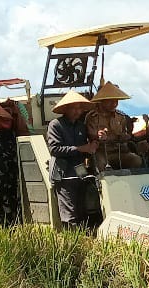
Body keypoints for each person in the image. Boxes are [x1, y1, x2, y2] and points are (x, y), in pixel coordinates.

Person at [46, 90, 101, 230]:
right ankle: (70, 236)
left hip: (80, 170)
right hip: (63, 171)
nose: (77, 111)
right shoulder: (55, 125)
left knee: (82, 205)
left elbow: (87, 148)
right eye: (74, 108)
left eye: (79, 108)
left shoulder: (81, 126)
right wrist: (81, 149)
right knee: (68, 208)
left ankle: (82, 235)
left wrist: (94, 144)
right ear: (65, 109)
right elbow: (55, 149)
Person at [84, 81, 142, 170]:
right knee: (100, 164)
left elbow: (126, 134)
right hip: (101, 152)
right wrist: (98, 136)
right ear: (102, 100)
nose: (114, 104)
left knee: (136, 160)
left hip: (119, 152)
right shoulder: (92, 117)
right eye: (110, 101)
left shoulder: (121, 116)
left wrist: (126, 136)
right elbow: (91, 136)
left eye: (116, 101)